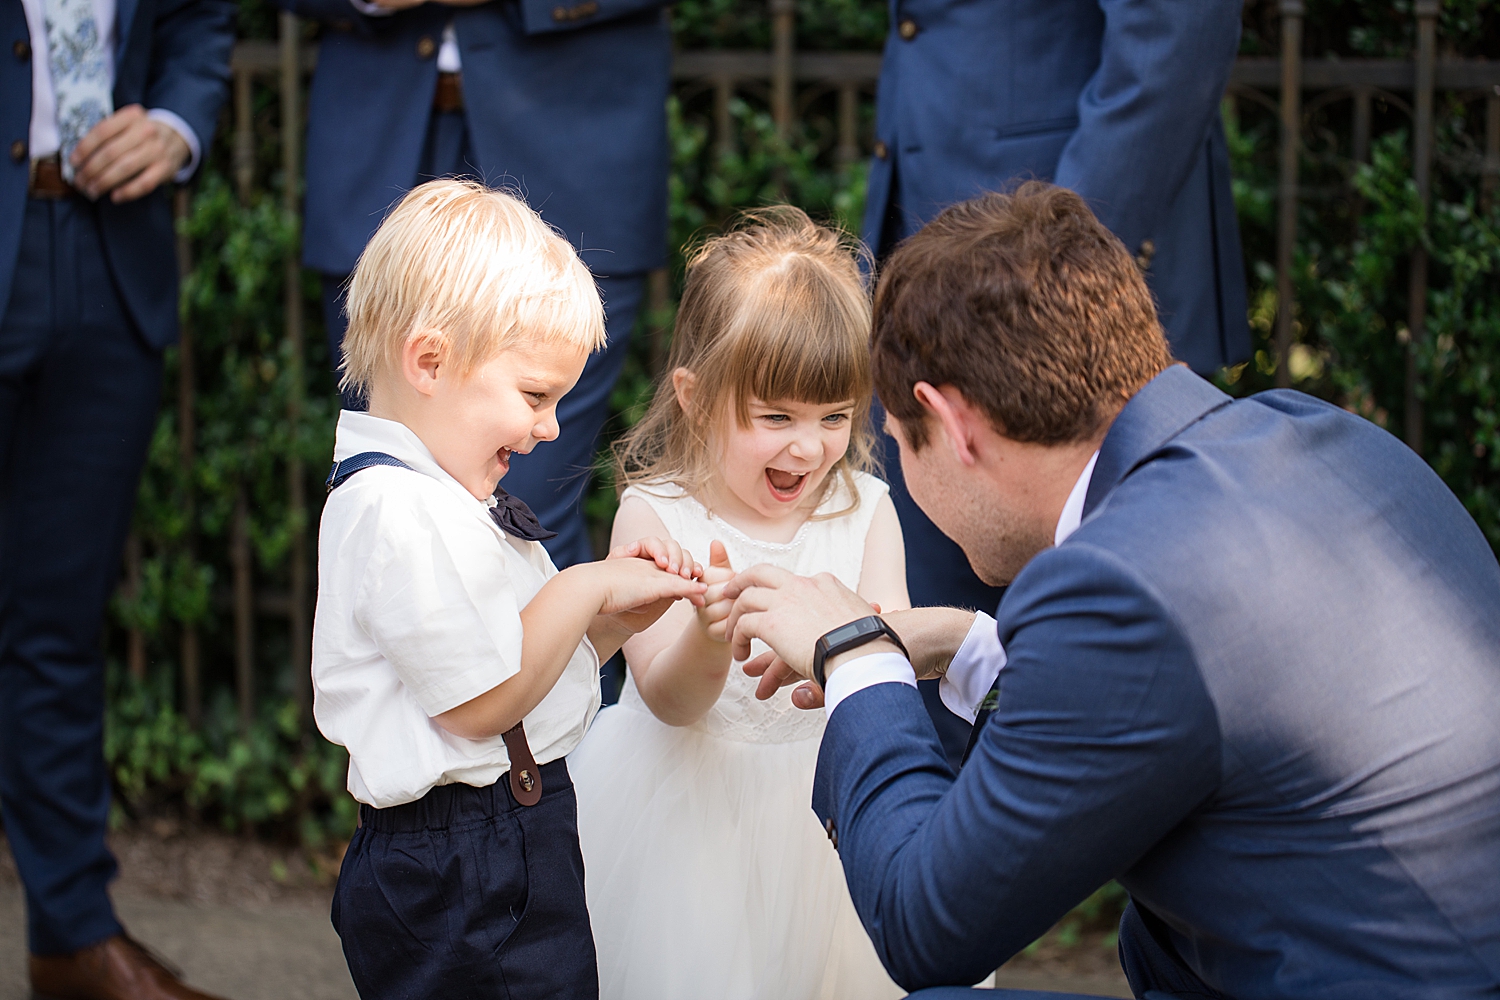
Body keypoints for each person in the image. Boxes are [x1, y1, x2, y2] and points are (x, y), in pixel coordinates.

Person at [724, 184, 1500, 998]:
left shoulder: (1119, 586)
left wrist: (855, 656)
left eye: (897, 440)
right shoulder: (1315, 433)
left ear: (949, 426)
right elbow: (1205, 704)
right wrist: (972, 645)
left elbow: (926, 929)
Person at [311, 180, 707, 999]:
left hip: (510, 833)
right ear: (429, 361)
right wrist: (589, 585)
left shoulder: (445, 498)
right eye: (534, 396)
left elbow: (513, 667)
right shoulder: (394, 514)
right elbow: (479, 703)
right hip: (456, 867)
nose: (552, 426)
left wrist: (611, 628)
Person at [863, 1, 1253, 760]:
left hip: (1047, 281)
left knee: (1136, 673)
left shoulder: (1046, 285)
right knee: (947, 681)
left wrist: (1051, 278)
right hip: (947, 269)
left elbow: (1176, 28)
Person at [568, 210, 907, 1000]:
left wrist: (842, 655)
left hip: (832, 824)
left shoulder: (865, 511)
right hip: (685, 834)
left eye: (834, 417)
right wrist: (711, 639)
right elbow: (668, 701)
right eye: (776, 417)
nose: (809, 447)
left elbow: (893, 667)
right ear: (693, 396)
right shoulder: (656, 515)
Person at [0, 0, 234, 996]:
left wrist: (177, 122)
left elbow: (197, 20)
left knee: (55, 627)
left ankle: (72, 937)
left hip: (108, 265)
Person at [274, 0, 671, 570]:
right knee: (387, 491)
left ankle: (547, 657)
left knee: (525, 511)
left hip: (572, 143)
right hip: (379, 142)